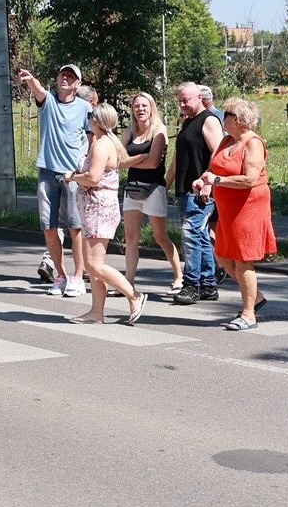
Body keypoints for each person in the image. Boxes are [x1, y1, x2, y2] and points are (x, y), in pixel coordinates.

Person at [197, 98, 277, 331]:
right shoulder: (226, 140)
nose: (223, 118)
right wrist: (203, 180)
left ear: (240, 120)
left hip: (248, 207)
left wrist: (217, 181)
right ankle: (256, 296)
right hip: (228, 209)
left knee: (243, 260)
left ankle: (249, 314)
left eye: (228, 114)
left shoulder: (253, 143)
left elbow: (250, 179)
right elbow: (213, 169)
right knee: (223, 256)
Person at [14, 63, 89, 298]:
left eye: (71, 76)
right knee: (49, 227)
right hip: (47, 172)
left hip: (72, 175)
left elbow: (93, 136)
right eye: (62, 74)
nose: (65, 78)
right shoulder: (49, 101)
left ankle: (78, 277)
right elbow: (38, 90)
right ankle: (62, 276)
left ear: (78, 84)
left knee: (75, 227)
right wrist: (30, 79)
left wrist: (86, 165)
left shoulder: (85, 108)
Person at [68, 103, 144, 325]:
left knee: (94, 265)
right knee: (94, 265)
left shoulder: (101, 144)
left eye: (91, 117)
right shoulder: (104, 141)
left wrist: (73, 177)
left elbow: (93, 178)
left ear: (95, 120)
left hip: (98, 209)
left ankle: (134, 296)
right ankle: (96, 312)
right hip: (93, 209)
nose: (89, 120)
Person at [119, 91, 183, 295]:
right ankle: (129, 282)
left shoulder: (159, 131)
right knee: (131, 238)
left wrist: (132, 160)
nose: (140, 109)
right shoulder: (129, 133)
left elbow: (154, 163)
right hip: (132, 188)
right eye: (136, 106)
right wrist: (142, 157)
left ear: (151, 108)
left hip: (154, 188)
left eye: (144, 106)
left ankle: (179, 277)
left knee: (160, 236)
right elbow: (119, 161)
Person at [168, 82, 224, 305]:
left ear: (199, 97)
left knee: (191, 234)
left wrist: (208, 181)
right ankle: (208, 284)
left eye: (186, 100)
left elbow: (218, 153)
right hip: (187, 189)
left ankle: (191, 285)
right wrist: (166, 184)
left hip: (201, 190)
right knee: (200, 236)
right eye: (180, 101)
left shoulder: (209, 120)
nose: (182, 105)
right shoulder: (188, 121)